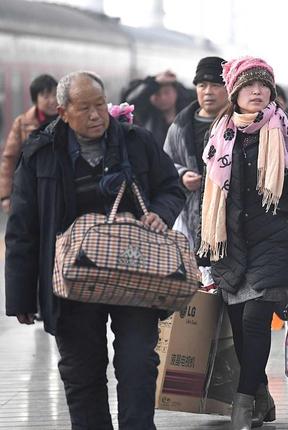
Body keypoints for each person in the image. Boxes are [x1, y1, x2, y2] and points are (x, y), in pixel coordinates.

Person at [4, 71, 185, 429]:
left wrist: (160, 214)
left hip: (136, 273)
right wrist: (21, 296)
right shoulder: (41, 151)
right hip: (72, 281)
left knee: (138, 365)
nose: (95, 115)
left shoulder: (136, 141)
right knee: (82, 372)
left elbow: (170, 187)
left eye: (100, 105)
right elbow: (24, 227)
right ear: (63, 112)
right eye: (84, 108)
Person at [199, 56, 288, 430]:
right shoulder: (219, 133)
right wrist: (204, 248)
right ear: (235, 92)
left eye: (263, 85)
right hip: (230, 243)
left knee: (256, 319)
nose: (257, 91)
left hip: (275, 240)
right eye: (248, 86)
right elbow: (209, 196)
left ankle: (242, 404)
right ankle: (260, 396)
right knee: (239, 328)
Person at [164, 56, 228, 248]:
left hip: (230, 219)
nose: (208, 91)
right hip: (190, 219)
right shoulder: (179, 127)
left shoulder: (239, 125)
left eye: (215, 85)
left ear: (229, 88)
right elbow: (164, 165)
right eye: (202, 85)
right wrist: (182, 175)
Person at [0, 74, 58, 212]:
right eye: (46, 96)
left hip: (59, 188)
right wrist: (6, 196)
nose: (52, 100)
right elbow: (10, 159)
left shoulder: (68, 120)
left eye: (55, 95)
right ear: (35, 99)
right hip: (30, 190)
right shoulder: (22, 123)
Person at [121, 70, 194, 147]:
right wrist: (154, 81)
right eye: (157, 94)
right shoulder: (146, 115)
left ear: (176, 93)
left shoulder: (187, 112)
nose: (163, 97)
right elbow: (132, 100)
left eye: (167, 92)